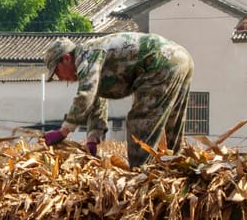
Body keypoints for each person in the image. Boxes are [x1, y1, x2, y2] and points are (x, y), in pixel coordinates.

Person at [42, 32, 196, 157]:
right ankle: (176, 164)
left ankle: (140, 174)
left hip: (161, 61)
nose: (61, 78)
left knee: (139, 123)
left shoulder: (87, 55)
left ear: (66, 58)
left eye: (57, 72)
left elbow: (86, 95)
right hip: (180, 58)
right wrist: (93, 138)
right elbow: (96, 100)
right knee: (173, 122)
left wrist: (63, 131)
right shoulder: (90, 59)